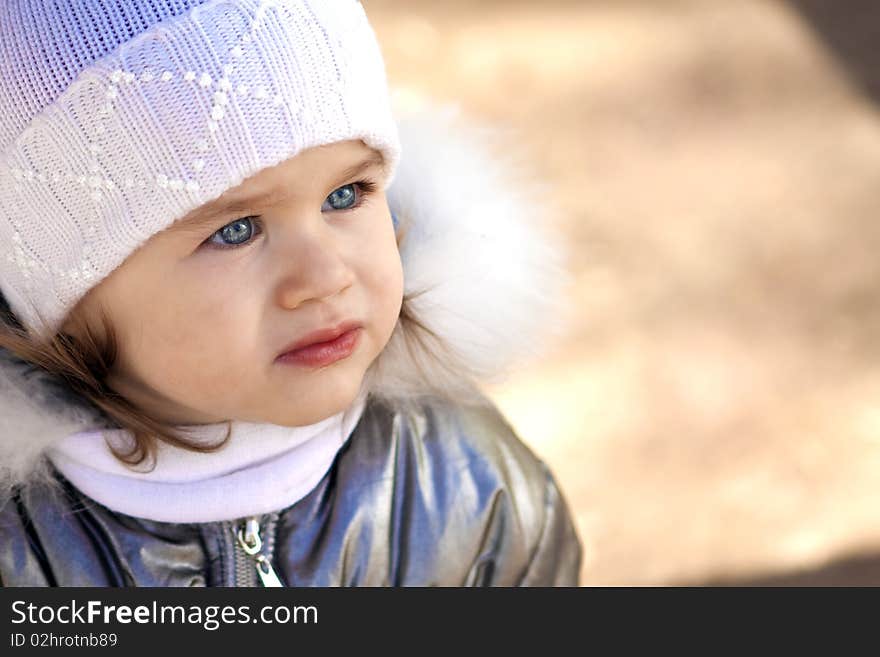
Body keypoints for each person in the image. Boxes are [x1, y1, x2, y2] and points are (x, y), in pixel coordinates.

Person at [0, 0, 581, 586]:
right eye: (235, 231)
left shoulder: (470, 487)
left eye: (347, 195)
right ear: (64, 296)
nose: (326, 278)